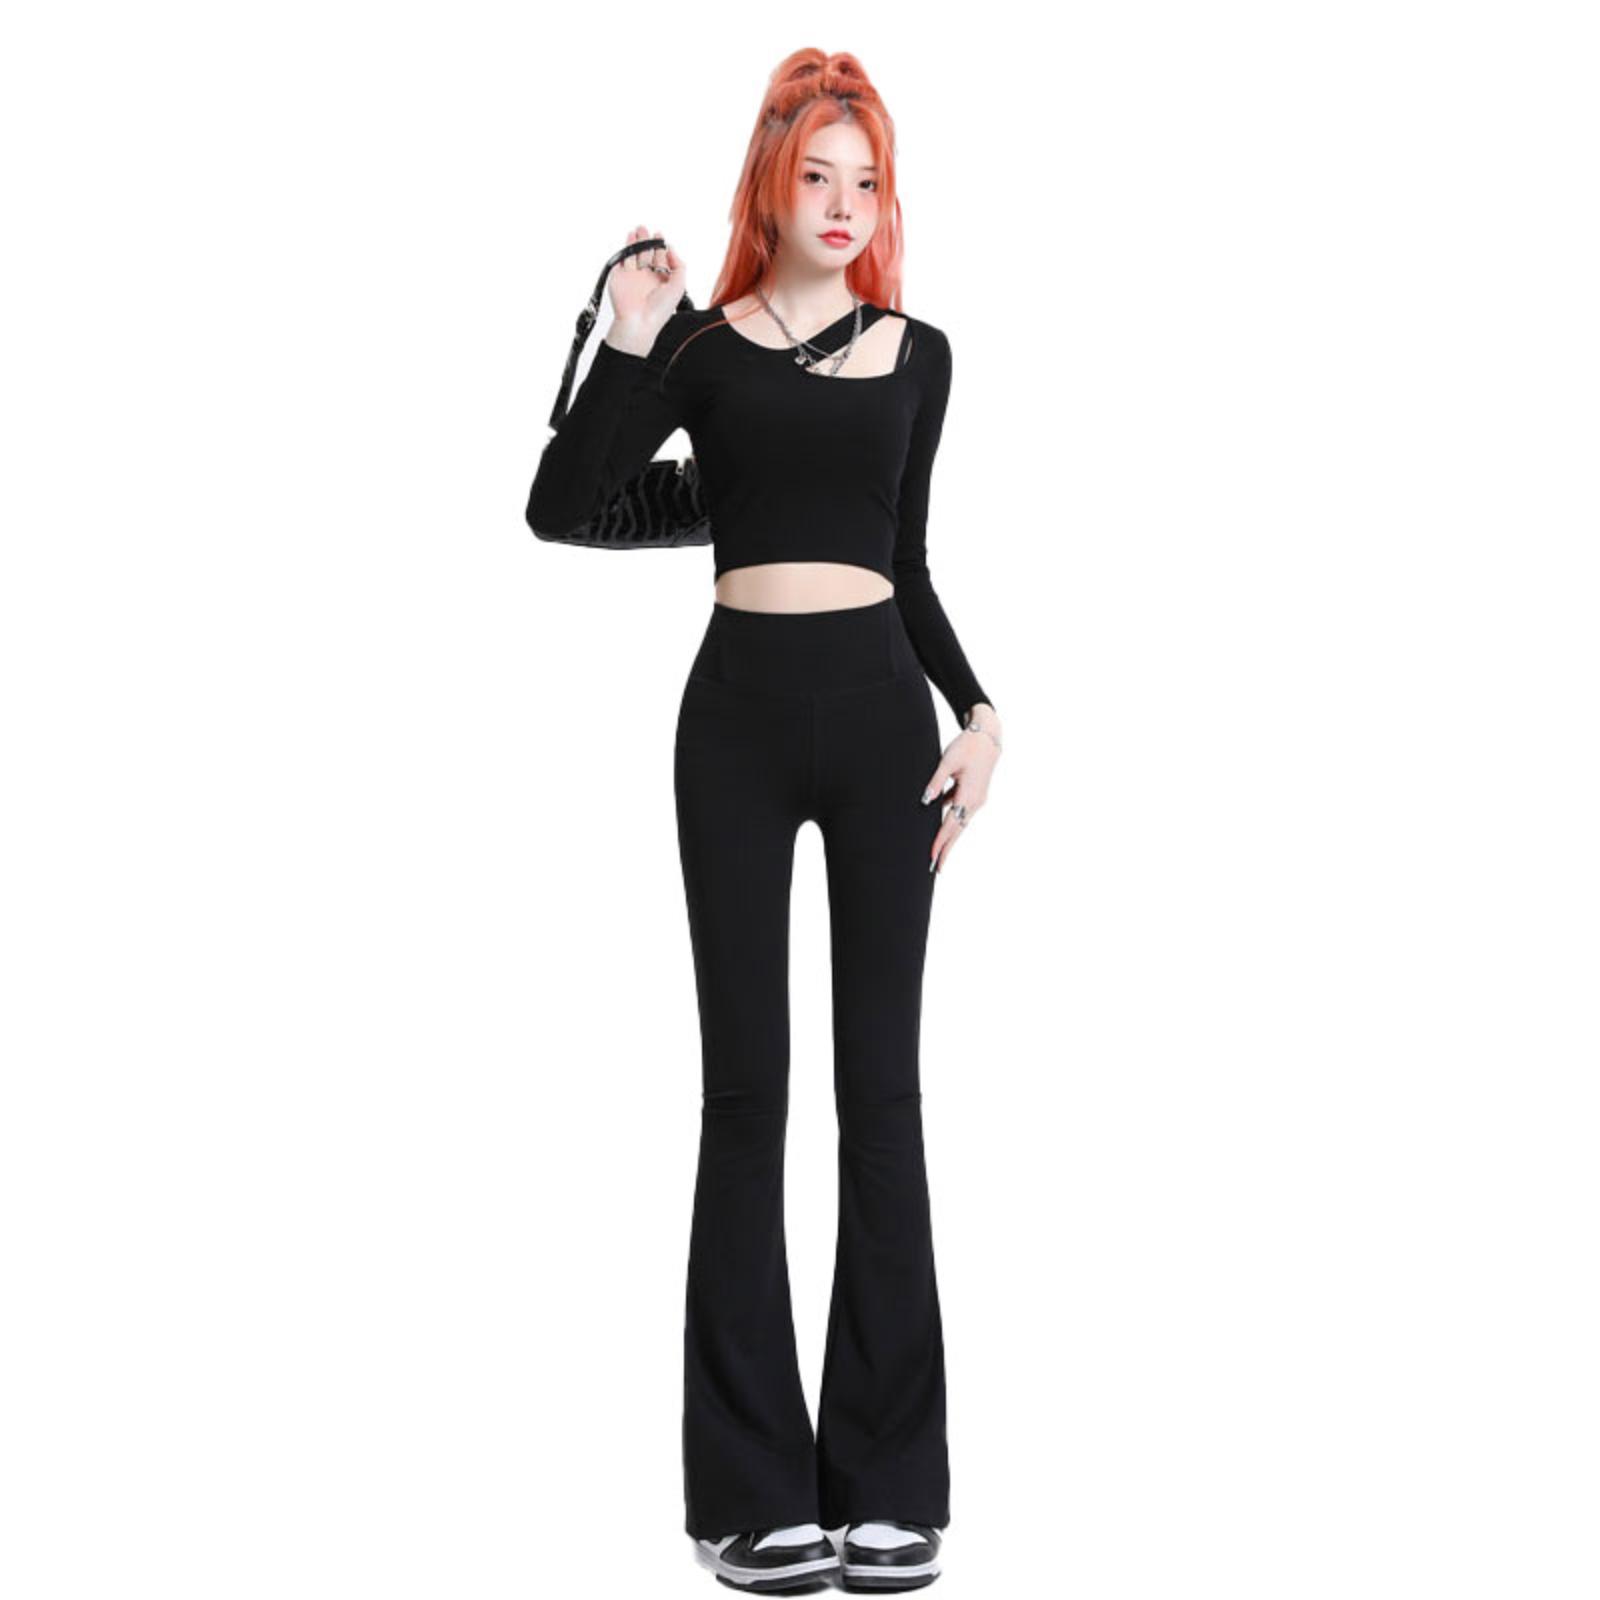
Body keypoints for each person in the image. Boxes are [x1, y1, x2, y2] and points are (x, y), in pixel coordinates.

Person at [526, 48, 1002, 1594]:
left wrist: (980, 712)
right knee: (748, 1095)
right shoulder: (703, 349)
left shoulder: (922, 355)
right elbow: (565, 506)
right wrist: (626, 340)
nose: (846, 203)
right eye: (819, 175)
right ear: (770, 186)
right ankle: (748, 1493)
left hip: (883, 736)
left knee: (884, 1093)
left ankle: (891, 1484)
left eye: (869, 180)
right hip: (731, 728)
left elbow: (904, 560)